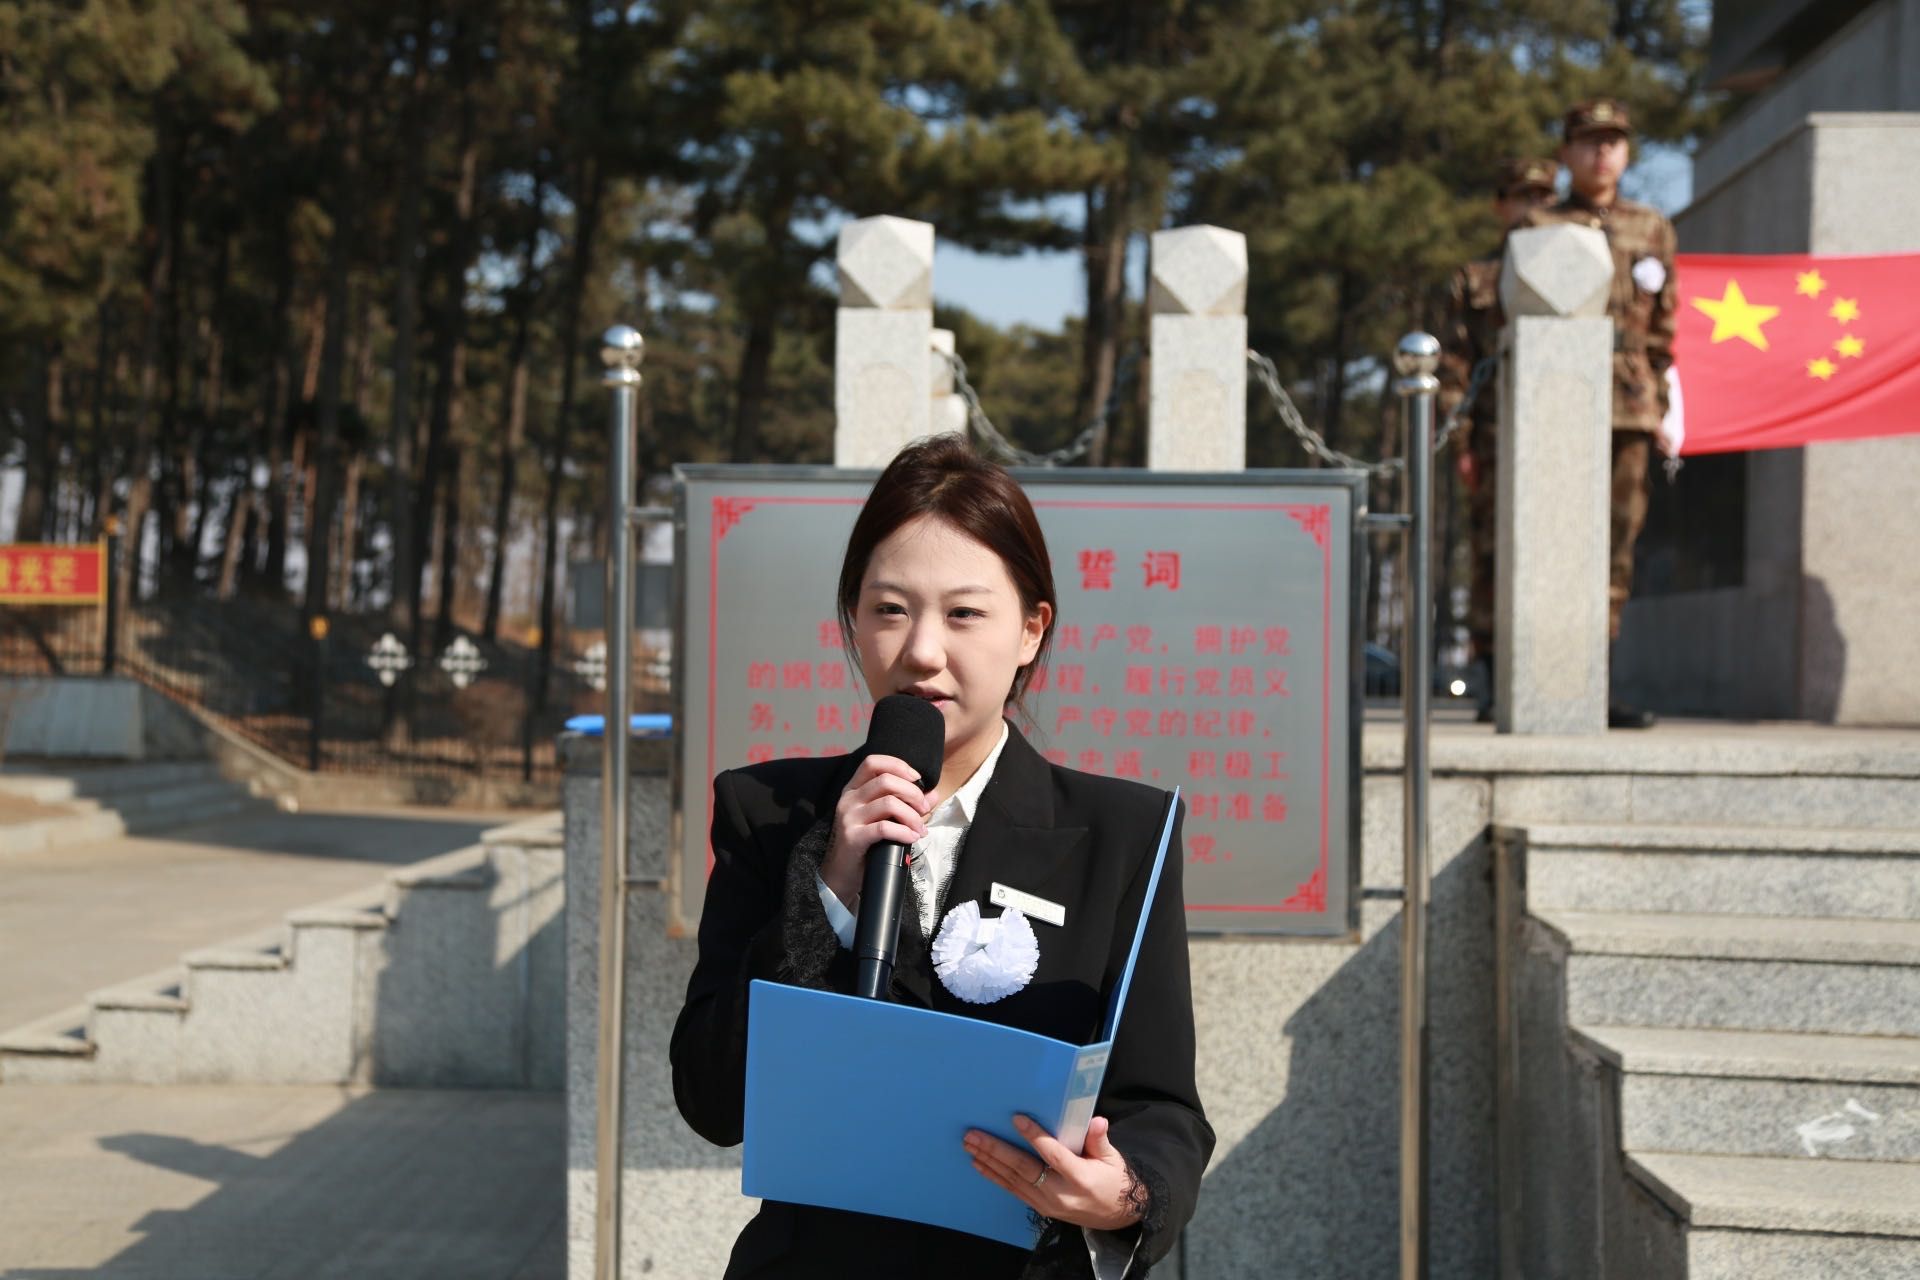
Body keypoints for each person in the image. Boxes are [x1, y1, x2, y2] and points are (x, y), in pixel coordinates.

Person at [671, 433, 1213, 1278]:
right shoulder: (769, 812)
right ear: (853, 619)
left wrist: (1124, 1196)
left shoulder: (1125, 833)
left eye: (964, 614)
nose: (922, 651)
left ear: (1031, 630)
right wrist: (828, 890)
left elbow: (1161, 1109)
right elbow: (712, 1100)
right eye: (889, 609)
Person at [1522, 98, 1677, 729]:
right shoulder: (1537, 226)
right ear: (1566, 153)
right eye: (1590, 141)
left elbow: (1665, 327)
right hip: (1557, 401)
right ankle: (1537, 680)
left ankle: (1596, 682)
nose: (1603, 152)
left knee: (1616, 545)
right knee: (1554, 539)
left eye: (1614, 141)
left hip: (1628, 404)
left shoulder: (1652, 227)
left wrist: (1662, 401)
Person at [1438, 156, 1560, 721]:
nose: (1534, 208)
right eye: (1523, 196)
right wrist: (1462, 442)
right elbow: (1455, 365)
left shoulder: (1574, 264)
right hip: (1493, 434)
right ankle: (1489, 674)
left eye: (1544, 197)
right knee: (1489, 556)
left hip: (1559, 436)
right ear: (1501, 205)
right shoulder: (1476, 277)